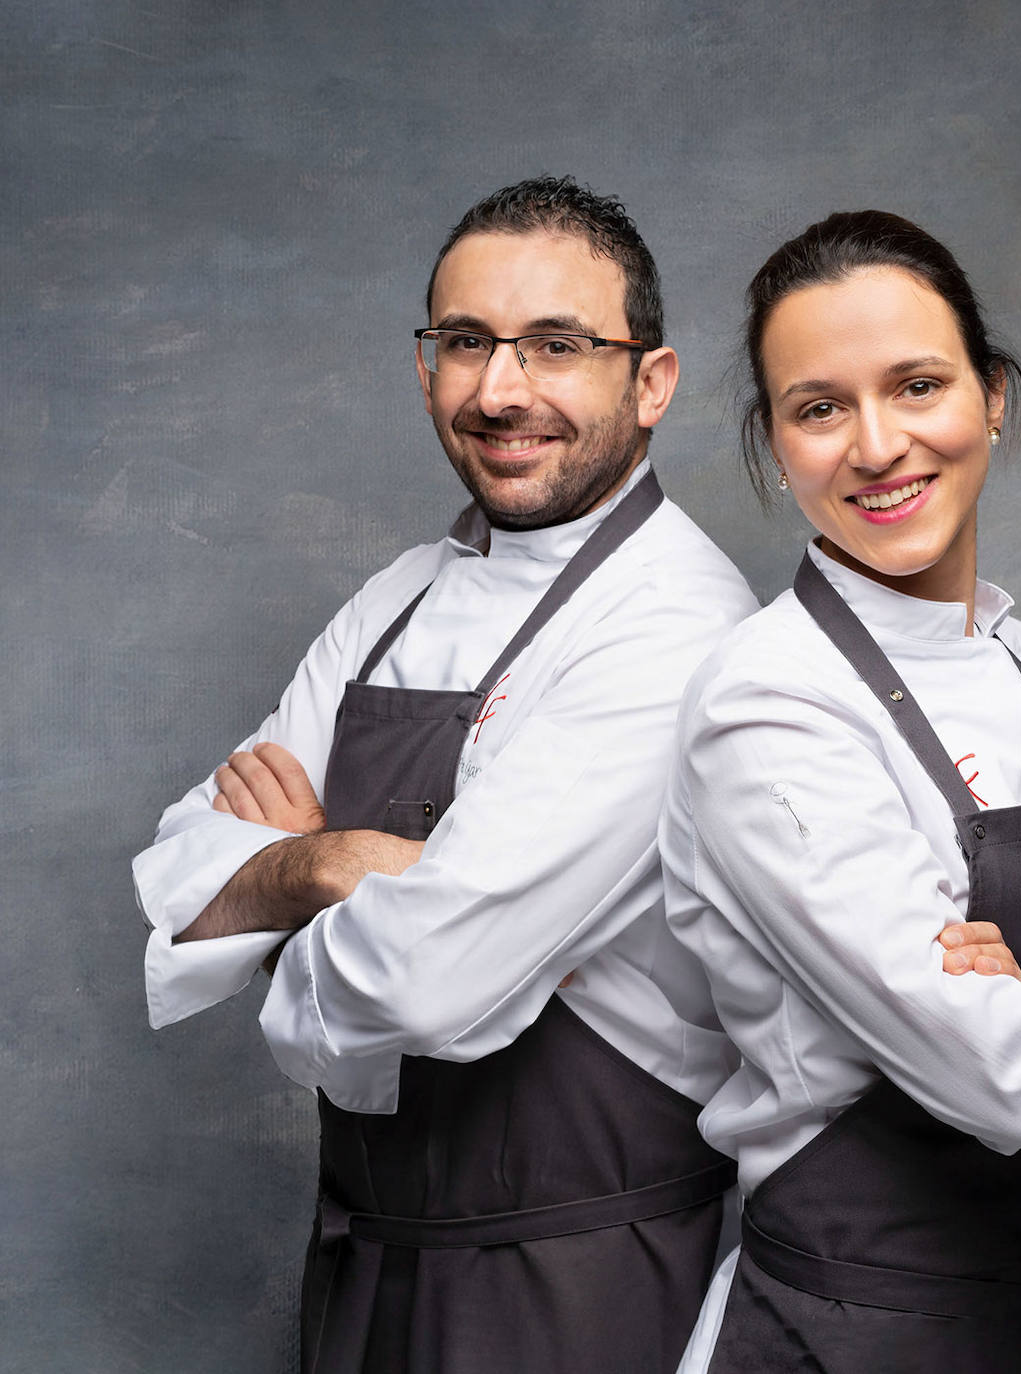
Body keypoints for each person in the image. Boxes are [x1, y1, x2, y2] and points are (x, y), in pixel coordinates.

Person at [133, 175, 758, 1374]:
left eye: (557, 346)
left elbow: (429, 983)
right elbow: (175, 878)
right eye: (465, 342)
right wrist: (336, 862)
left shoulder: (678, 625)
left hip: (574, 1285)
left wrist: (273, 892)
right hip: (365, 1263)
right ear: (426, 368)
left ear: (653, 382)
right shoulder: (396, 597)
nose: (499, 389)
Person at [660, 210, 1021, 1373]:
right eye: (819, 408)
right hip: (859, 1332)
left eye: (917, 384)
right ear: (776, 446)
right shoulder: (765, 705)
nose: (876, 445)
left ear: (993, 400)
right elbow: (1008, 1076)